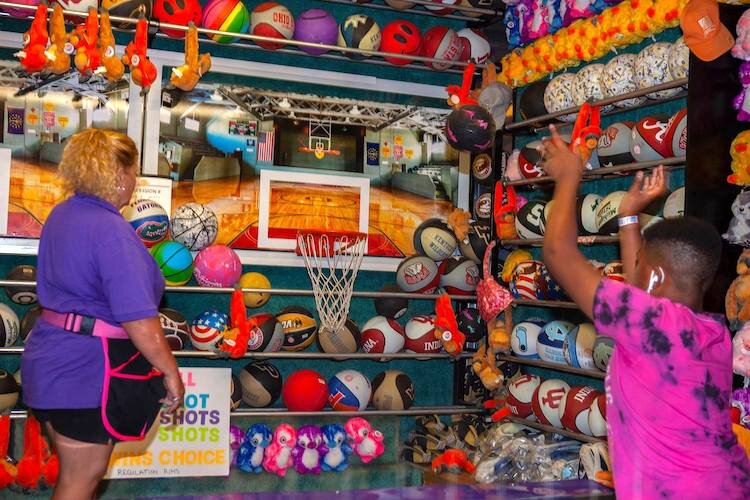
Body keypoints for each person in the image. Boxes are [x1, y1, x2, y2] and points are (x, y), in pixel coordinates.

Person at [540, 125, 750, 498]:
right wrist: (627, 218)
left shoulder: (653, 324)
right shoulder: (711, 335)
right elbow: (644, 287)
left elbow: (559, 255)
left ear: (653, 273)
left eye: (638, 263)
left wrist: (570, 176)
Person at [21, 129, 184, 500]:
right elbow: (140, 319)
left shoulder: (63, 215)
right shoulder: (110, 230)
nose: (136, 181)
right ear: (118, 174)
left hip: (53, 362)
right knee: (81, 480)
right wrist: (172, 374)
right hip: (85, 372)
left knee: (80, 478)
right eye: (135, 172)